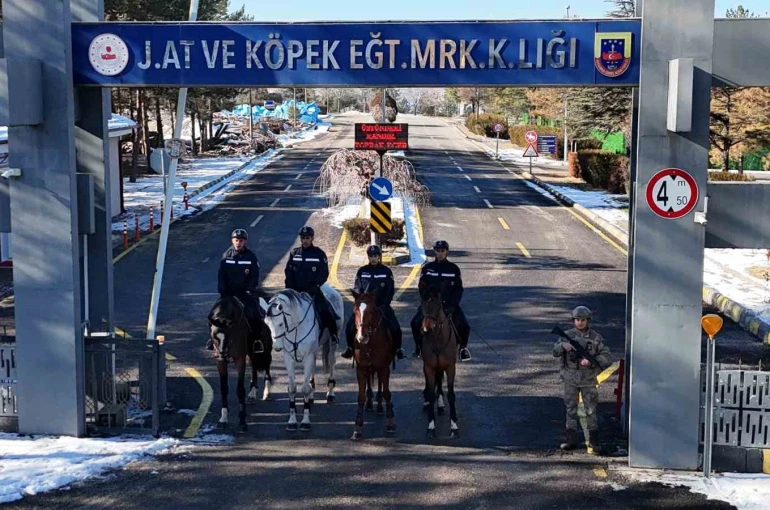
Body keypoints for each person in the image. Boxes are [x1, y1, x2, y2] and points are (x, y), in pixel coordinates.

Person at [553, 305, 612, 454]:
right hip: (570, 378)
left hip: (588, 379)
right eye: (577, 320)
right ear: (574, 320)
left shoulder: (595, 338)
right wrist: (563, 346)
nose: (580, 322)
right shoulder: (566, 335)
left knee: (590, 410)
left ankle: (594, 441)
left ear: (588, 321)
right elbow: (555, 352)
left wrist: (591, 361)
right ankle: (571, 440)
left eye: (583, 320)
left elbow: (607, 357)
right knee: (570, 409)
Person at [410, 240, 471, 362]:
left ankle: (463, 349)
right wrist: (427, 302)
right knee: (415, 323)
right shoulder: (427, 268)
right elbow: (422, 287)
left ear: (447, 252)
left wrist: (452, 305)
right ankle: (418, 347)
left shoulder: (453, 269)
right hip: (430, 307)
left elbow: (458, 289)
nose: (440, 253)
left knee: (464, 326)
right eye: (438, 251)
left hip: (449, 305)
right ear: (434, 252)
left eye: (443, 251)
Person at [342, 245, 405, 360]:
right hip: (365, 307)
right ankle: (350, 348)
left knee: (395, 327)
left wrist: (385, 304)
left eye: (375, 256)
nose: (373, 258)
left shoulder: (386, 271)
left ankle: (398, 349)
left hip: (381, 306)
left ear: (379, 256)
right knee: (350, 325)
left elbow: (389, 290)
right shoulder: (362, 271)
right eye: (371, 256)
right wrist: (360, 301)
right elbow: (357, 288)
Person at [213, 228, 264, 353]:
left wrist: (249, 290)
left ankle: (257, 341)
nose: (238, 243)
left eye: (241, 240)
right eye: (236, 240)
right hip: (228, 294)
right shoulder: (226, 256)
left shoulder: (251, 257)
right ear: (232, 241)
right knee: (214, 315)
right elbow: (221, 275)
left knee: (256, 315)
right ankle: (213, 339)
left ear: (245, 241)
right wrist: (223, 291)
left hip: (244, 294)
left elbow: (254, 276)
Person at [284, 226, 339, 344]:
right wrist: (290, 287)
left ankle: (333, 335)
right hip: (296, 291)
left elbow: (324, 272)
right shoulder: (294, 253)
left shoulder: (319, 254)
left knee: (325, 310)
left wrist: (316, 286)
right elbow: (288, 271)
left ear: (312, 238)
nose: (305, 240)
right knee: (281, 310)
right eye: (303, 238)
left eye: (307, 238)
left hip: (313, 291)